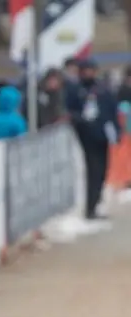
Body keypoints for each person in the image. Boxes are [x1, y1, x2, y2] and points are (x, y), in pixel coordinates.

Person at [64, 59, 120, 220]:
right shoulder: (75, 89)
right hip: (86, 136)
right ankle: (90, 207)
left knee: (102, 171)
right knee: (93, 171)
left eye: (91, 70)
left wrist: (115, 131)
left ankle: (96, 203)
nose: (88, 73)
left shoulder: (102, 89)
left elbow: (112, 111)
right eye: (85, 70)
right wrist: (80, 120)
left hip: (102, 135)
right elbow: (69, 110)